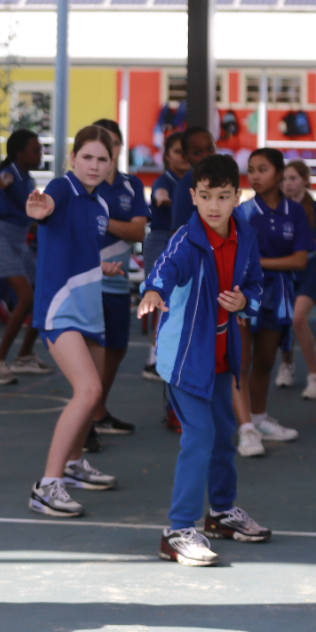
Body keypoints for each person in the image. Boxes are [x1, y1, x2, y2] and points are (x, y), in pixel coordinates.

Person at [137, 154, 270, 566]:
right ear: (193, 196)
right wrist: (153, 292)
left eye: (224, 196)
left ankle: (221, 514)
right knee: (199, 435)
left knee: (224, 433)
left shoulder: (245, 236)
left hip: (221, 354)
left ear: (237, 197)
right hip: (184, 358)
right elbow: (163, 270)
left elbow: (256, 284)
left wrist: (244, 300)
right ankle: (177, 530)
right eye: (207, 196)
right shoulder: (185, 239)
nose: (214, 205)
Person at [24, 125, 123, 518]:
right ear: (73, 158)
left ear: (111, 163)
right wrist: (40, 208)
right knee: (88, 390)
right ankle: (47, 485)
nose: (95, 165)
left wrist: (103, 266)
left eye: (103, 159)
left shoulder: (101, 205)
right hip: (59, 309)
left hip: (90, 309)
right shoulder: (62, 188)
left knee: (93, 395)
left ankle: (74, 464)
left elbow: (77, 249)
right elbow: (44, 206)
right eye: (88, 157)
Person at [232, 148, 310, 457]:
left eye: (262, 169)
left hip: (278, 296)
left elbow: (301, 260)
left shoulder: (296, 212)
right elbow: (237, 259)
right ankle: (246, 429)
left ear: (279, 174)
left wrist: (261, 262)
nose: (254, 175)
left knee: (265, 362)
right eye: (251, 169)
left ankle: (260, 418)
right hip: (243, 294)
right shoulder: (243, 211)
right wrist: (269, 264)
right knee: (241, 363)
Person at [92, 120, 149, 442]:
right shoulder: (82, 184)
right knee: (90, 352)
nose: (108, 148)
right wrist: (118, 225)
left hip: (117, 283)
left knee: (117, 348)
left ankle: (98, 412)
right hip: (87, 283)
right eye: (101, 141)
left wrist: (102, 221)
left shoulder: (132, 185)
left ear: (120, 147)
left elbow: (138, 231)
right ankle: (86, 422)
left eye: (113, 142)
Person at [0, 130, 51, 385]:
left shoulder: (29, 179)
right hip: (1, 239)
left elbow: (30, 215)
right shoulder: (11, 173)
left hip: (20, 241)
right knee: (26, 298)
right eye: (36, 150)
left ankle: (24, 357)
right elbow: (5, 180)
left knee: (40, 297)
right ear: (20, 153)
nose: (40, 154)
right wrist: (2, 183)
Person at [277, 159, 316, 400]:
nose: (287, 183)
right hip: (285, 274)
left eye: (293, 178)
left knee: (298, 319)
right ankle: (287, 365)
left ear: (306, 180)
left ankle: (315, 377)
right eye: (284, 179)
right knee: (283, 321)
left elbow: (313, 242)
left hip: (311, 273)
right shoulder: (277, 209)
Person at [143, 130, 190, 381]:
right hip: (161, 239)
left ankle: (168, 353)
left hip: (183, 242)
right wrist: (164, 200)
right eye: (177, 152)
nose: (182, 157)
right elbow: (159, 194)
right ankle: (154, 357)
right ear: (167, 156)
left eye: (187, 152)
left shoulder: (195, 181)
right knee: (161, 296)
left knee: (179, 299)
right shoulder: (166, 180)